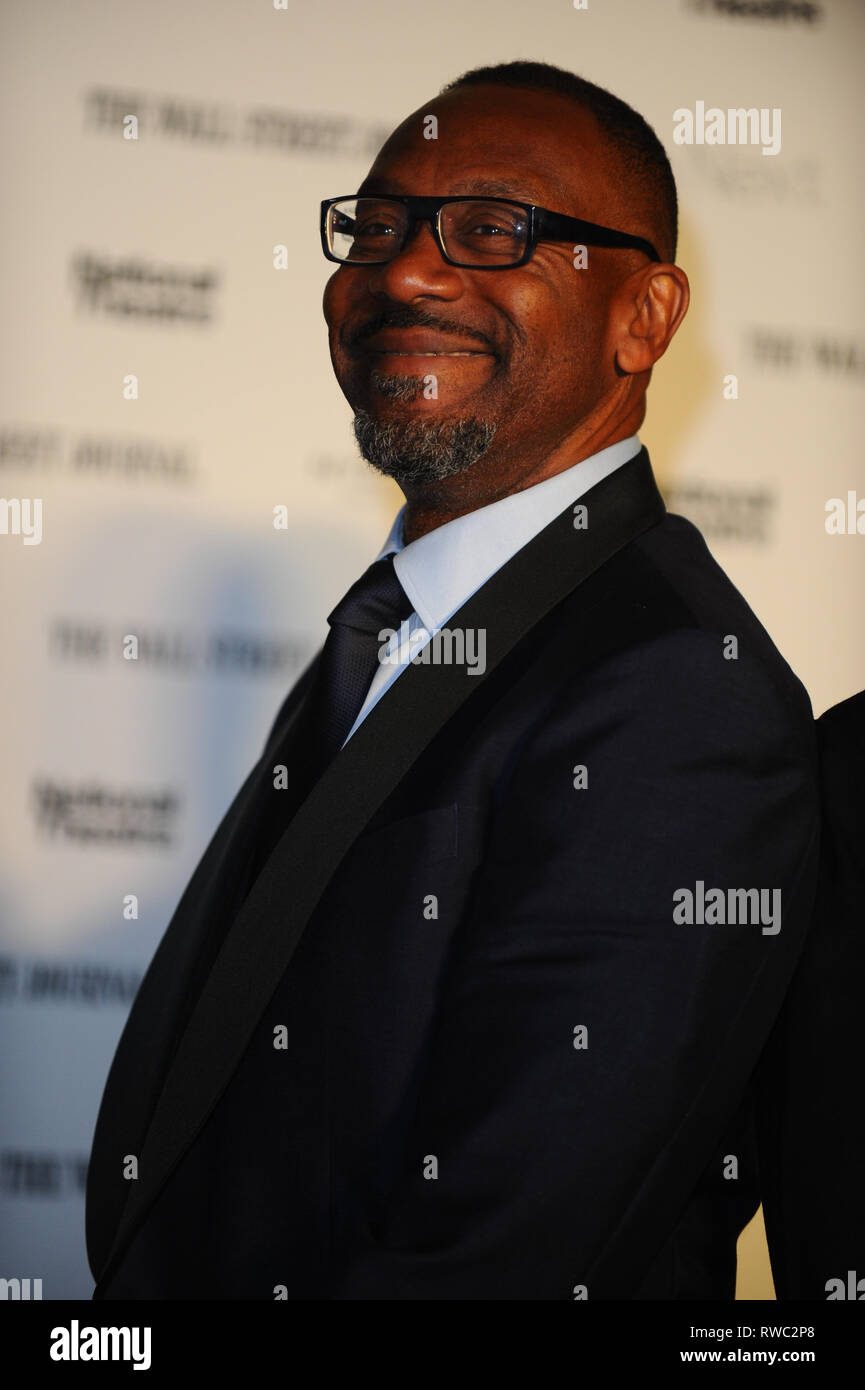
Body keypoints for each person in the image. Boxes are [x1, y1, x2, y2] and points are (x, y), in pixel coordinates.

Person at [86, 60, 821, 1300]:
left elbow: (506, 1252)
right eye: (376, 226)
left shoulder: (675, 693)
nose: (407, 272)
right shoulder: (396, 625)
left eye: (494, 230)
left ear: (643, 318)